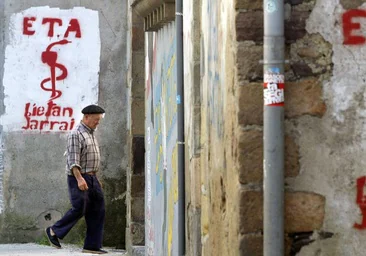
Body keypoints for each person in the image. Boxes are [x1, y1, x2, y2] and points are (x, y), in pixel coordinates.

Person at [45, 104, 107, 254]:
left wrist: (95, 178)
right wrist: (80, 179)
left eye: (99, 119)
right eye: (95, 119)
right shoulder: (76, 134)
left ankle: (91, 245)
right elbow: (73, 160)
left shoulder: (91, 133)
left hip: (91, 177)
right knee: (80, 207)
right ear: (86, 117)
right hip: (78, 176)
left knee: (98, 209)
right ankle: (54, 230)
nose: (98, 122)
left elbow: (90, 158)